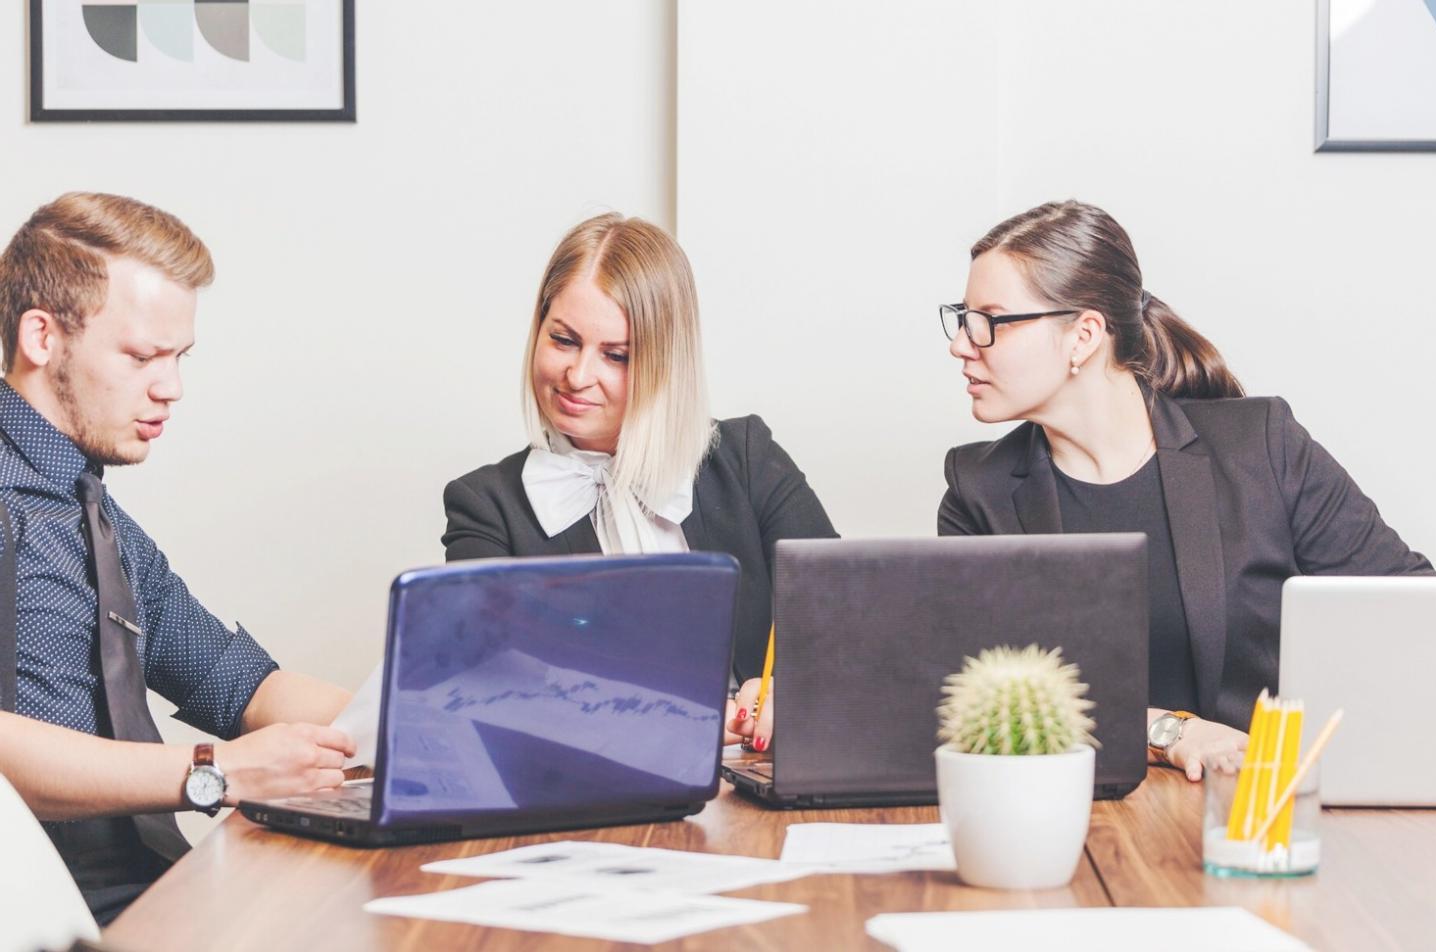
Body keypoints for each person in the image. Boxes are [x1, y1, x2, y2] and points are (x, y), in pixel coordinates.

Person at [937, 200, 1434, 781]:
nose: (961, 345)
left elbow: (1415, 614)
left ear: (1084, 335)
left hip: (1259, 815)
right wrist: (1167, 730)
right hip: (1085, 823)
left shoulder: (1263, 450)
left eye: (990, 322)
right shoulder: (979, 493)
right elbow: (976, 703)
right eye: (963, 318)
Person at [0, 193, 356, 924]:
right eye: (141, 356)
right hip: (45, 916)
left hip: (152, 899)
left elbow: (240, 686)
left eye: (179, 357)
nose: (172, 387)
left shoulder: (90, 510)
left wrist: (430, 726)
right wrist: (214, 773)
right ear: (42, 336)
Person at [441, 212, 835, 752]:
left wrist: (797, 686)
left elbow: (844, 616)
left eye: (616, 356)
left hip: (760, 789)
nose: (578, 376)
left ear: (666, 363)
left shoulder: (745, 457)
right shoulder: (485, 507)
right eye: (563, 340)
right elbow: (488, 697)